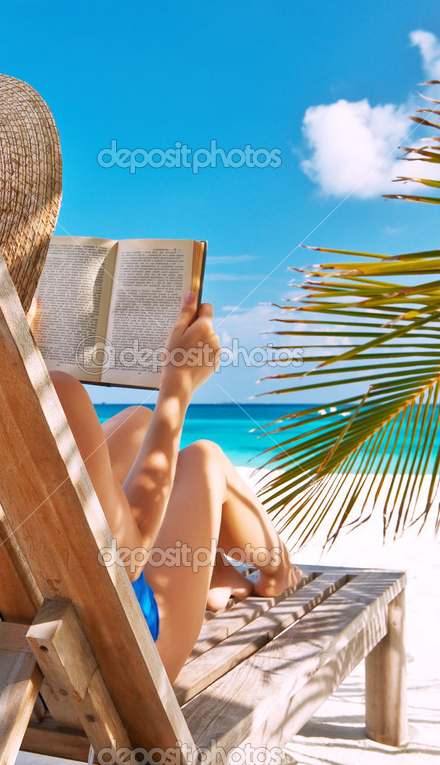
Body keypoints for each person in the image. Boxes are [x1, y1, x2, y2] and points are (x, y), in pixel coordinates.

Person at [30, 291, 302, 681]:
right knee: (203, 458)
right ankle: (277, 573)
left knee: (136, 422)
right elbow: (132, 556)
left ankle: (216, 569)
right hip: (114, 657)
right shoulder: (58, 397)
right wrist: (177, 387)